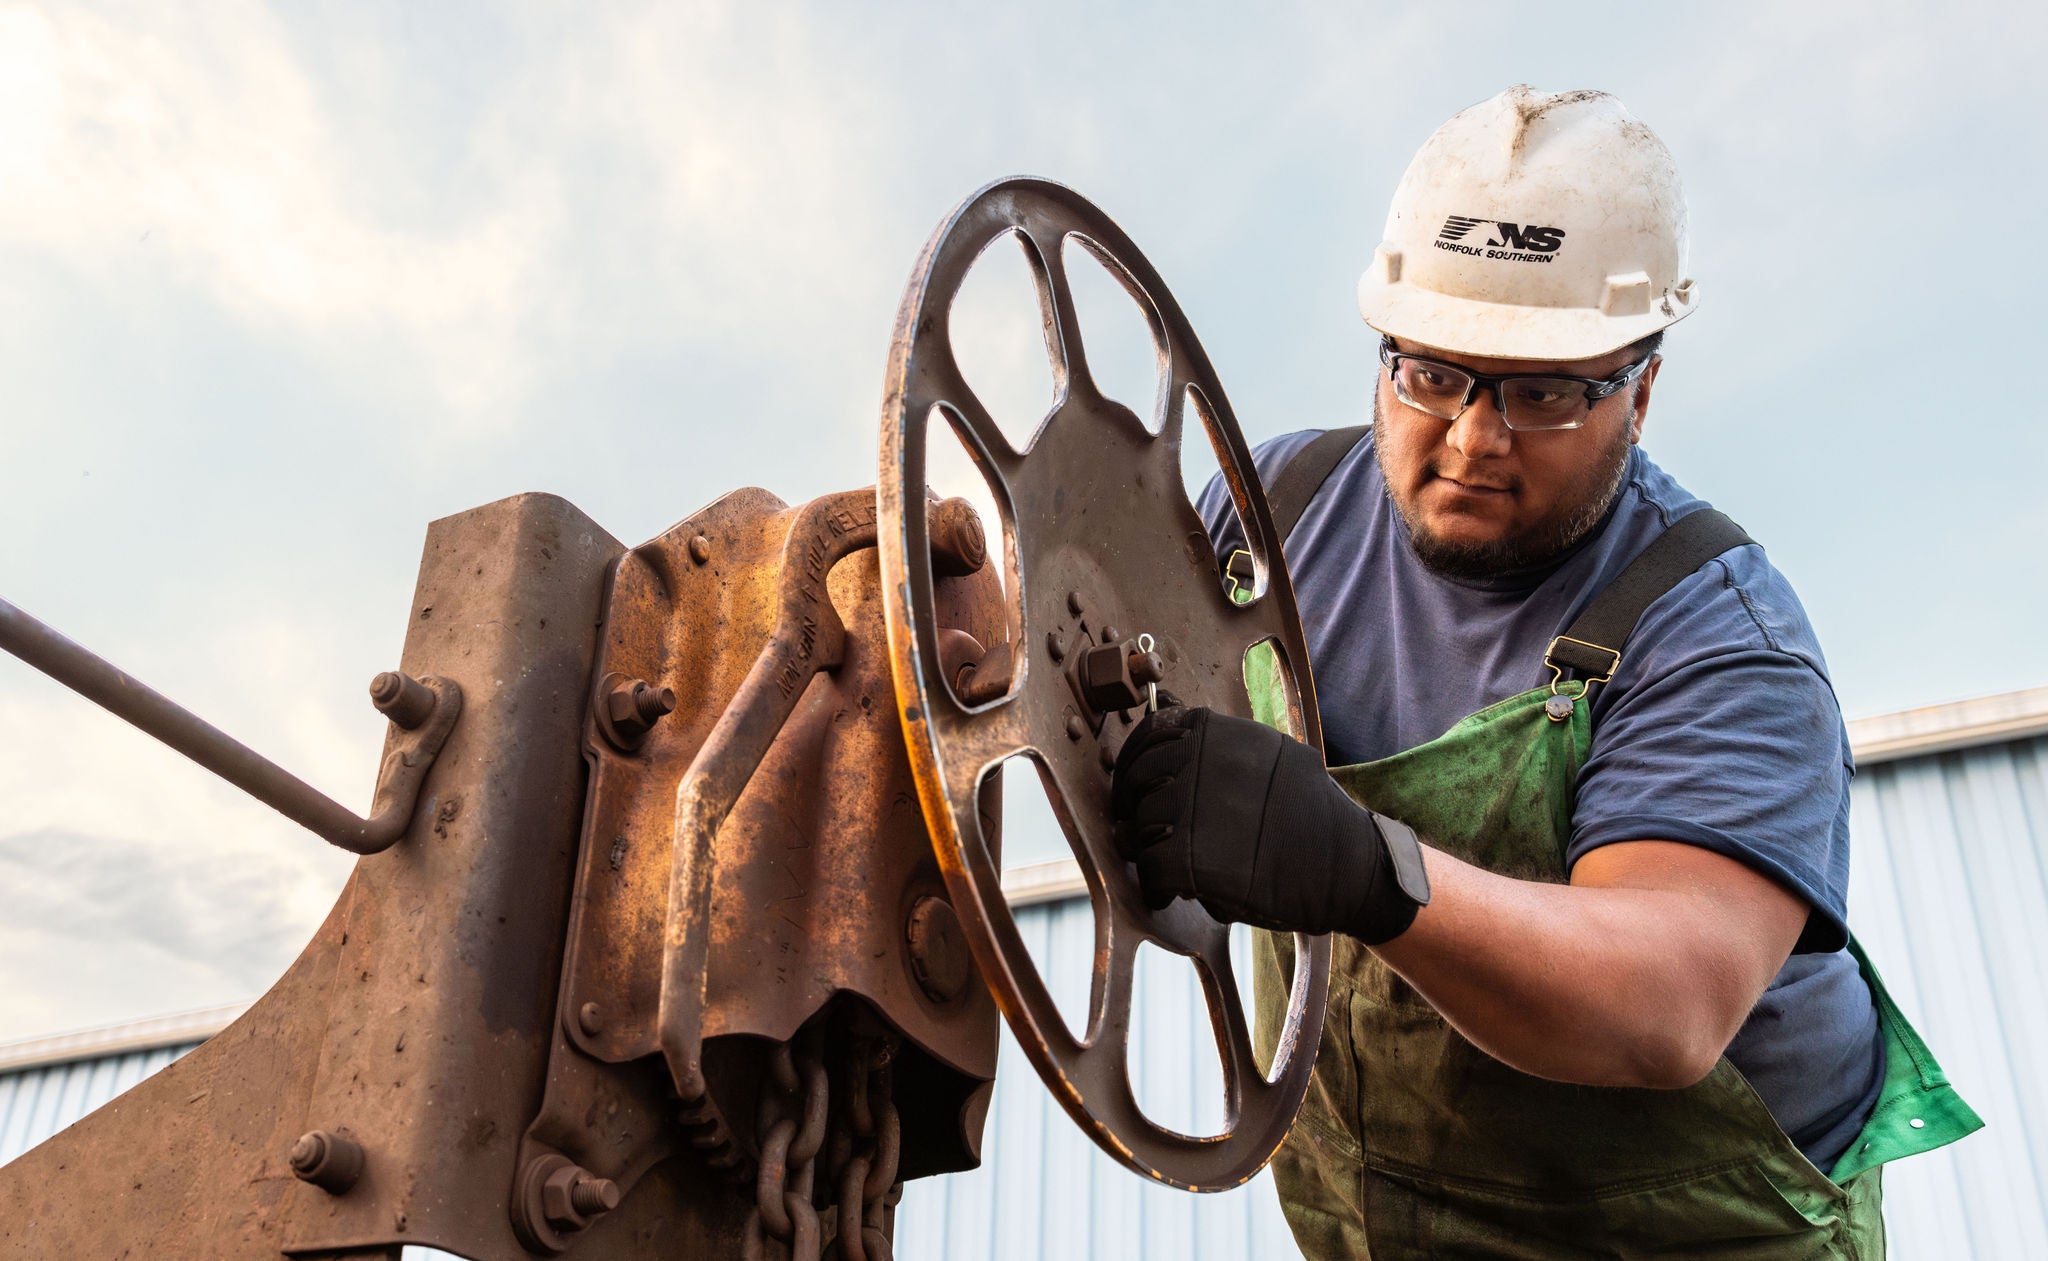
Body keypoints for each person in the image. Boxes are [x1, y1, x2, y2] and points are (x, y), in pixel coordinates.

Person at [1109, 85, 1979, 1258]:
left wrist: (1367, 873)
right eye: (1429, 373)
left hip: (1700, 1238)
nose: (1471, 437)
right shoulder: (1274, 519)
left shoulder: (1717, 635)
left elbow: (1664, 1005)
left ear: (1641, 387)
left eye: (1542, 392)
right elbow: (1069, 649)